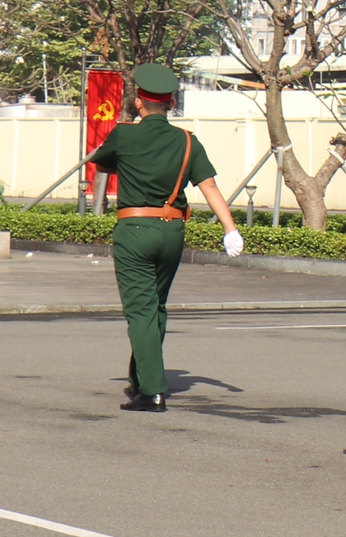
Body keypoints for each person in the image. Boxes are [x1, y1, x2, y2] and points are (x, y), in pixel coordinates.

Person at [91, 62, 245, 413]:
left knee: (140, 310)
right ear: (171, 102)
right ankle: (141, 377)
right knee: (155, 307)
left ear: (140, 103)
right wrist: (230, 229)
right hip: (173, 231)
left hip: (135, 229)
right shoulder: (188, 142)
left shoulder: (125, 134)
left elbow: (101, 164)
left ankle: (153, 392)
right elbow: (209, 186)